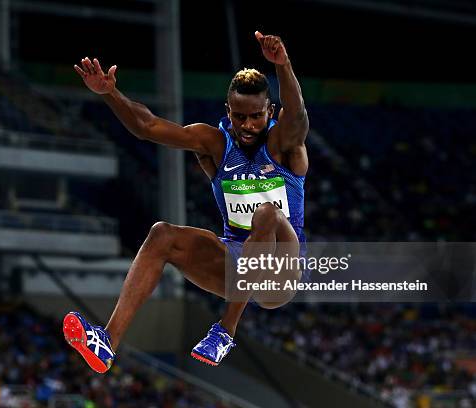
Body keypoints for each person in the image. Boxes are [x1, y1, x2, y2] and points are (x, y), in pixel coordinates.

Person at [64, 31, 309, 373]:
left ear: (270, 110)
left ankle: (225, 330)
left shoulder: (285, 142)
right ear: (228, 111)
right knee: (162, 234)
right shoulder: (213, 142)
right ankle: (107, 342)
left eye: (256, 116)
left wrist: (283, 66)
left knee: (265, 214)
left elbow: (296, 116)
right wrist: (111, 94)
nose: (248, 125)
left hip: (281, 272)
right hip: (234, 263)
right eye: (240, 117)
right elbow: (147, 126)